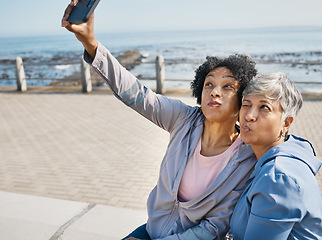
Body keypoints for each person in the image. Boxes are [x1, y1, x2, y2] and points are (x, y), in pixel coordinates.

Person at [62, 1, 258, 239]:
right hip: (152, 230)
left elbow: (215, 227)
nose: (215, 92)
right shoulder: (183, 118)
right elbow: (135, 94)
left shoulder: (246, 156)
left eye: (227, 86)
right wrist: (90, 43)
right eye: (209, 84)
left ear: (242, 99)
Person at [229, 72, 322, 239]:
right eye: (246, 104)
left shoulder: (279, 178)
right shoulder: (278, 154)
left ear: (286, 123)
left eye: (264, 107)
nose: (249, 116)